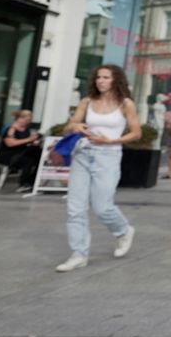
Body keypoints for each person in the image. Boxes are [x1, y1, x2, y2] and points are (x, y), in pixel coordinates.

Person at [54, 65, 141, 273]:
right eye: (98, 77)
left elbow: (136, 133)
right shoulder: (87, 101)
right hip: (83, 155)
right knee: (75, 208)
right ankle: (79, 254)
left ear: (115, 80)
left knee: (103, 207)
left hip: (108, 156)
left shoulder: (125, 104)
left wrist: (112, 140)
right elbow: (70, 125)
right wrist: (75, 126)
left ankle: (123, 231)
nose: (100, 81)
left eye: (106, 77)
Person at [0, 109, 42, 191]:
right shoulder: (11, 129)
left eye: (29, 120)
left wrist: (34, 141)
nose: (27, 122)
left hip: (21, 153)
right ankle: (23, 183)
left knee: (39, 156)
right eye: (26, 120)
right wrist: (29, 139)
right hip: (9, 155)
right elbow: (10, 143)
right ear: (19, 118)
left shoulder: (26, 129)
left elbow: (27, 142)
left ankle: (31, 181)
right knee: (28, 160)